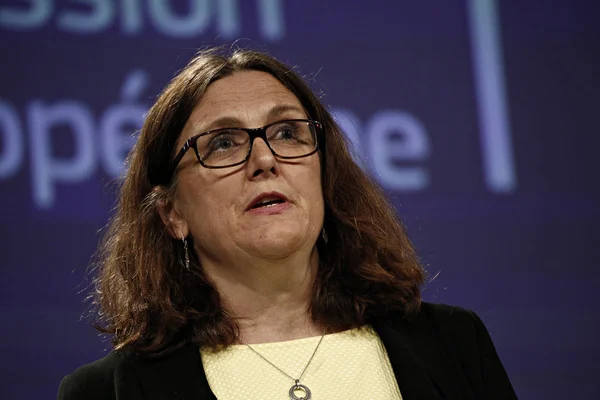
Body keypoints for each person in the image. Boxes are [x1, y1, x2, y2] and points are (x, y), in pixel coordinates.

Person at [58, 47, 517, 400]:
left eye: (287, 132)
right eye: (222, 143)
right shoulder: (105, 393)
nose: (265, 159)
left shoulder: (454, 346)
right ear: (172, 214)